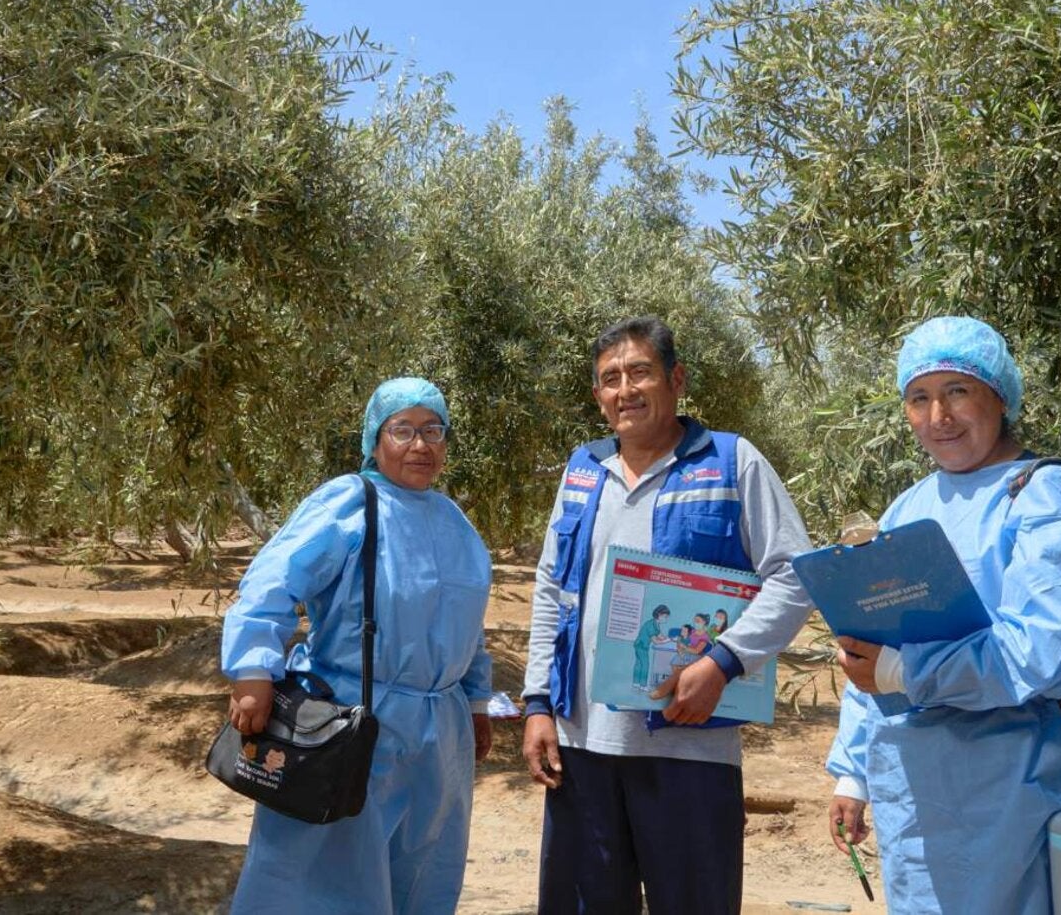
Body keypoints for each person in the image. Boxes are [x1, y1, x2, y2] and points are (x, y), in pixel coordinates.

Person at [825, 316, 1061, 913]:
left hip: (1023, 793)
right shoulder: (909, 506)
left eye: (958, 391)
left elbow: (1050, 655)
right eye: (919, 398)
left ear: (999, 396)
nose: (939, 418)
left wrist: (909, 673)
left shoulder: (1043, 497)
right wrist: (853, 774)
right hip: (920, 801)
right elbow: (872, 650)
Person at [522, 315, 813, 915]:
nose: (625, 389)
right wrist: (536, 704)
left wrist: (724, 663)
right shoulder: (583, 471)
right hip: (583, 747)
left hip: (690, 749)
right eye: (610, 379)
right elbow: (552, 589)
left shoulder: (733, 462)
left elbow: (794, 574)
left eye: (640, 372)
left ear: (676, 379)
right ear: (598, 396)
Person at [221, 377, 493, 914]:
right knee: (320, 878)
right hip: (351, 722)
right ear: (375, 439)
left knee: (422, 873)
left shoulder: (455, 522)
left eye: (433, 430)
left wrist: (476, 701)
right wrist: (253, 670)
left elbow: (468, 624)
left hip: (440, 738)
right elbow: (274, 579)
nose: (421, 444)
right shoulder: (350, 501)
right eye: (404, 430)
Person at [632, 604, 672, 688]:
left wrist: (670, 638)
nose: (666, 619)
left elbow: (660, 635)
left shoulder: (655, 624)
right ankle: (643, 685)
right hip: (641, 646)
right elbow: (656, 641)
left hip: (641, 646)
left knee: (639, 664)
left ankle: (636, 683)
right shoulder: (651, 625)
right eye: (665, 617)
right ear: (659, 615)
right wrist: (667, 640)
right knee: (645, 664)